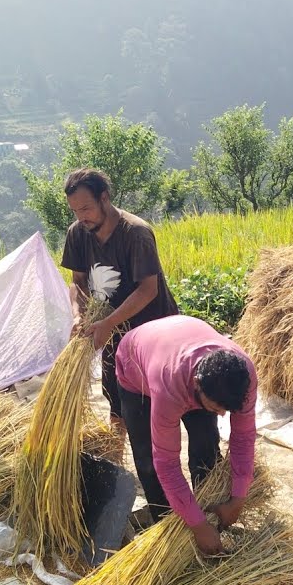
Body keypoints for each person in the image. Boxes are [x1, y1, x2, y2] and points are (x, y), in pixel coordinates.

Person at [114, 314, 258, 555]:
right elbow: (167, 464)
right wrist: (197, 527)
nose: (222, 414)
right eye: (215, 408)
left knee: (207, 446)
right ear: (198, 386)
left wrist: (238, 499)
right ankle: (169, 526)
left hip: (181, 343)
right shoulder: (169, 385)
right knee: (148, 460)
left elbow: (243, 438)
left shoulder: (244, 375)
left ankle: (210, 514)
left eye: (227, 409)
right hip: (136, 365)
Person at [60, 167, 179, 443]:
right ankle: (118, 455)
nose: (81, 217)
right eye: (75, 211)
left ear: (105, 198)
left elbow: (148, 290)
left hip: (152, 332)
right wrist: (79, 315)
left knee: (158, 400)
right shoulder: (77, 233)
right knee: (115, 397)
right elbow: (77, 282)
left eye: (86, 208)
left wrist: (108, 322)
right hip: (111, 331)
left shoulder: (135, 234)